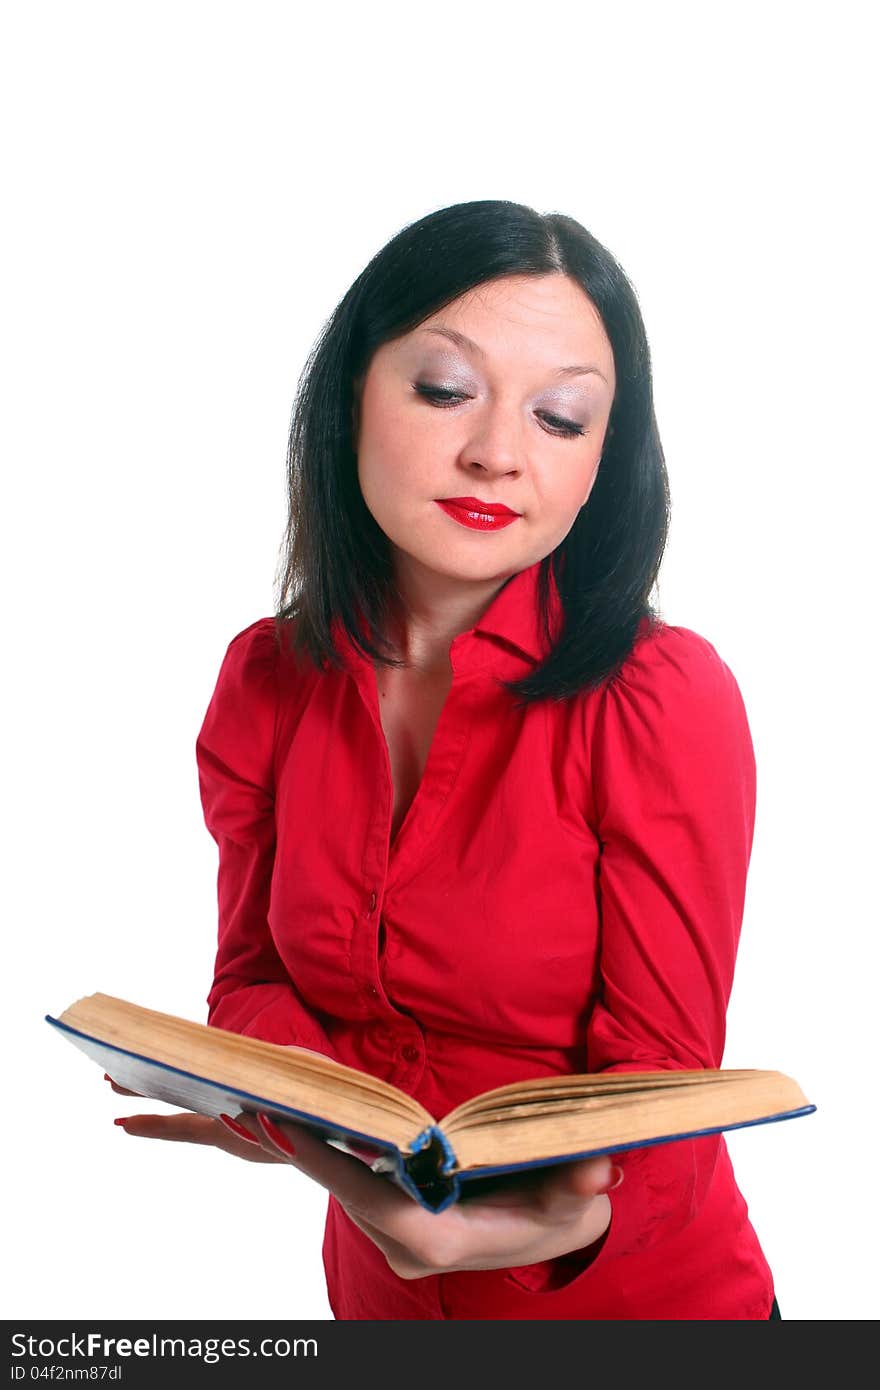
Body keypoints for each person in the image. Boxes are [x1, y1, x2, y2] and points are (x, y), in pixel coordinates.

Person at [110, 199, 782, 1320]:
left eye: (561, 418)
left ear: (602, 461)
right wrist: (288, 1118)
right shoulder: (265, 679)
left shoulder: (661, 698)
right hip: (375, 1305)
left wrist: (569, 1216)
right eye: (443, 389)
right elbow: (254, 983)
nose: (497, 453)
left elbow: (662, 1089)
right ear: (350, 398)